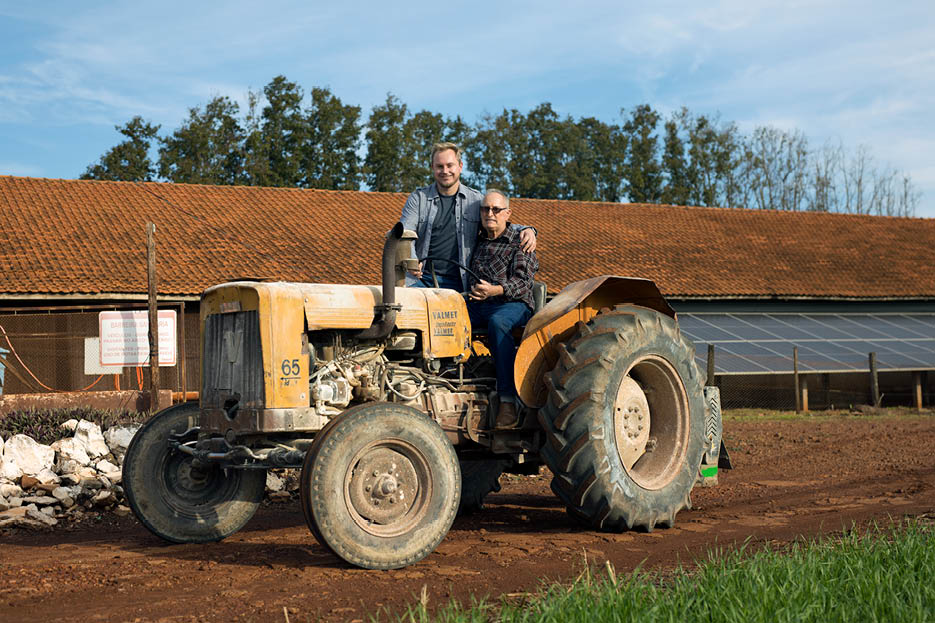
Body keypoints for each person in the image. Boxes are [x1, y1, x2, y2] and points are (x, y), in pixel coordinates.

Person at [400, 142, 536, 290]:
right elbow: (404, 234)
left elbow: (496, 220)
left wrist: (527, 229)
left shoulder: (476, 200)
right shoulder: (418, 198)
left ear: (460, 166)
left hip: (461, 280)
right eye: (439, 166)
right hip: (420, 278)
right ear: (432, 167)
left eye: (450, 165)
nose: (445, 171)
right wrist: (412, 262)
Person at [466, 189, 538, 429]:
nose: (490, 214)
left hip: (513, 304)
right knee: (445, 315)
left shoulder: (521, 241)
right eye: (485, 209)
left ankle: (508, 401)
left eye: (496, 209)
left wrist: (495, 290)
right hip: (480, 303)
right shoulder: (476, 240)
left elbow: (523, 283)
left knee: (499, 323)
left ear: (507, 213)